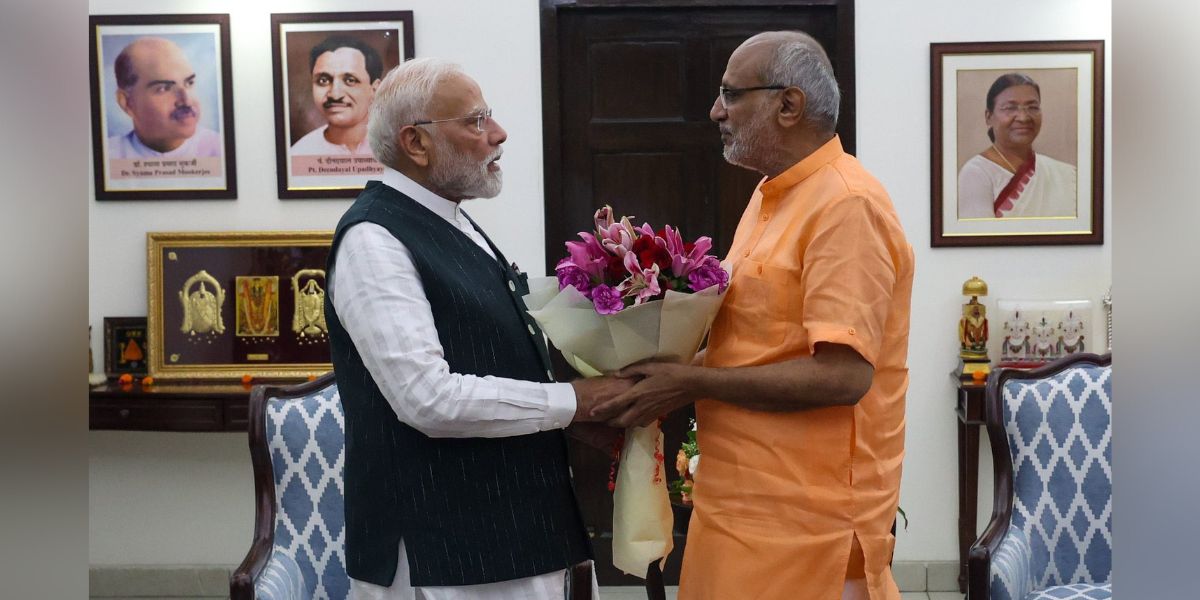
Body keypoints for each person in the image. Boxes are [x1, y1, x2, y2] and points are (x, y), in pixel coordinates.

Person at [592, 31, 914, 600]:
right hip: (737, 509)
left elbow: (844, 375)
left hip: (805, 530)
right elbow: (751, 344)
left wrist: (686, 382)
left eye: (729, 94)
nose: (715, 111)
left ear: (788, 105)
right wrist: (647, 377)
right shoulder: (772, 196)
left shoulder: (845, 205)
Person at [324, 57, 630, 600]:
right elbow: (427, 398)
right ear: (416, 143)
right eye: (476, 120)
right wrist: (574, 403)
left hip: (511, 536)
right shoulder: (374, 240)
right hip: (446, 553)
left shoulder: (450, 217)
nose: (498, 133)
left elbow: (487, 353)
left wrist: (576, 413)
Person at [957, 73, 1077, 218]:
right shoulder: (976, 173)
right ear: (989, 117)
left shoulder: (1065, 174)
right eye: (1010, 108)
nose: (1023, 117)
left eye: (1032, 107)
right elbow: (980, 238)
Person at [108, 37, 222, 159]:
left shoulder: (220, 150)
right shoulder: (106, 158)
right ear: (127, 103)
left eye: (189, 83)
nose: (187, 101)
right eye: (163, 88)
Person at [291, 36, 383, 156]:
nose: (335, 94)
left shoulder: (395, 149)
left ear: (375, 89)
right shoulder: (300, 153)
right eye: (323, 80)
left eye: (350, 80)